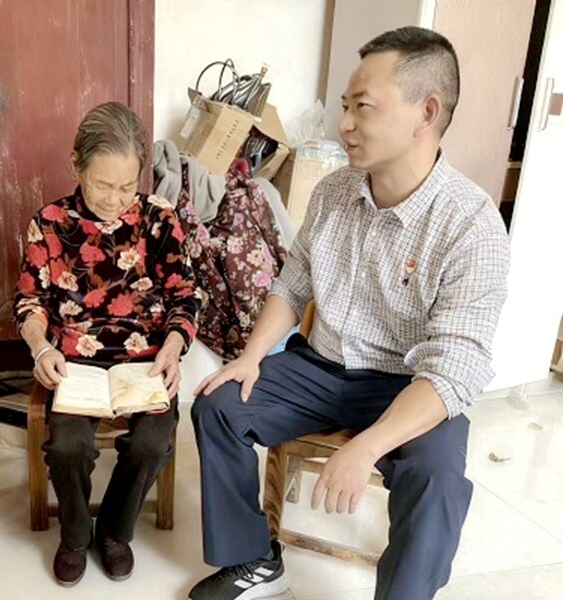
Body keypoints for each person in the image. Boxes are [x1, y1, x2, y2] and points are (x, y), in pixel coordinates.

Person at [188, 26, 510, 600]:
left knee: (436, 475)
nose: (345, 124)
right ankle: (255, 560)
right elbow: (293, 284)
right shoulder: (334, 191)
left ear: (426, 113)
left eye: (363, 107)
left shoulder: (471, 224)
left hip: (408, 386)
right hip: (319, 367)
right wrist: (252, 356)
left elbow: (453, 371)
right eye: (344, 106)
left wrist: (367, 446)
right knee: (219, 405)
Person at [14, 101, 199, 586]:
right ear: (76, 165)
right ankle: (76, 536)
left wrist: (173, 347)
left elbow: (184, 295)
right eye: (102, 185)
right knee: (68, 446)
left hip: (147, 361)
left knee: (152, 442)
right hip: (75, 362)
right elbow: (30, 301)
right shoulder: (50, 222)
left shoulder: (159, 218)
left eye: (127, 186)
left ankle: (115, 531)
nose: (116, 200)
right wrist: (41, 348)